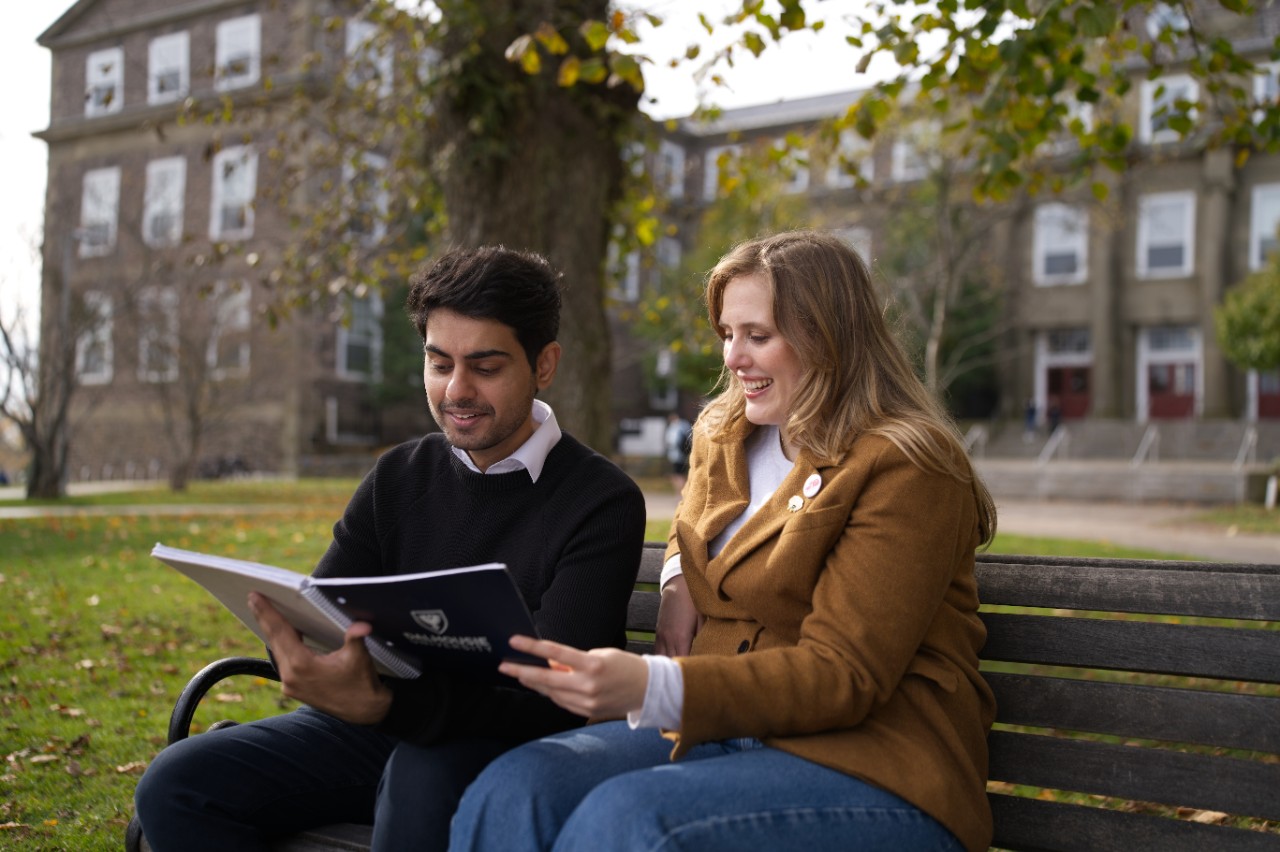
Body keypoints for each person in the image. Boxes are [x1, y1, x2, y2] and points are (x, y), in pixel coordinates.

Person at [449, 231, 999, 852]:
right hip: (724, 731)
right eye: (728, 334)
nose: (734, 358)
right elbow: (697, 520)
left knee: (630, 819)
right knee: (517, 785)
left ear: (829, 336)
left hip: (877, 763)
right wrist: (678, 573)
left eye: (758, 336)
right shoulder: (726, 429)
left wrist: (651, 685)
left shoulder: (906, 465)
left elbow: (844, 673)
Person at [133, 246, 647, 852]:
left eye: (485, 366)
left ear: (545, 365)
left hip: (508, 747)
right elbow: (324, 610)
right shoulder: (401, 475)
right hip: (371, 727)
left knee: (421, 776)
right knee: (178, 783)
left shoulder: (600, 500)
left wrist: (385, 705)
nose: (456, 390)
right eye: (439, 363)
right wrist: (298, 650)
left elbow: (559, 698)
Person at [663, 411, 693, 493]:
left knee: (678, 475)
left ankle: (680, 493)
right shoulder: (685, 426)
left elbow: (671, 441)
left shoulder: (675, 428)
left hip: (676, 455)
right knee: (681, 474)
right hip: (684, 454)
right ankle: (682, 492)